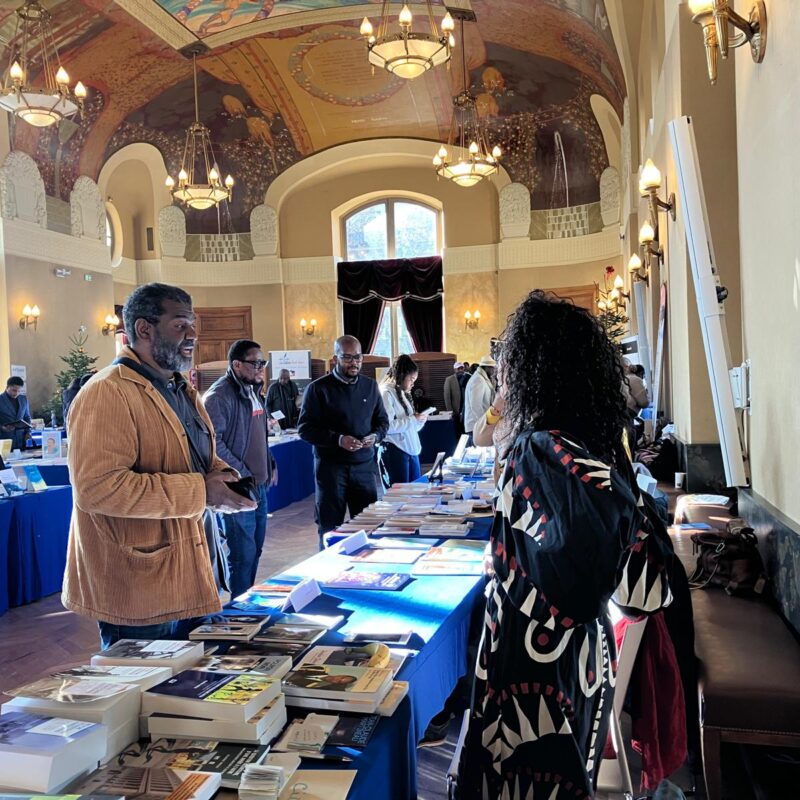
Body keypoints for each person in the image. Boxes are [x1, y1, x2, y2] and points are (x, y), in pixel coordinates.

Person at [458, 290, 672, 799]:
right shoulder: (583, 445)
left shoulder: (541, 450)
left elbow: (638, 583)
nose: (502, 378)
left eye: (508, 366)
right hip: (572, 655)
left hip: (536, 663)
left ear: (534, 370)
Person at [62, 283, 256, 649]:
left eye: (193, 325)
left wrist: (222, 479)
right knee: (145, 701)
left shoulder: (180, 388)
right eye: (181, 324)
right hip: (138, 591)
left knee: (189, 697)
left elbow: (192, 457)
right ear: (144, 329)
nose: (193, 335)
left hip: (192, 576)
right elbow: (98, 488)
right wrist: (202, 491)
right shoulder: (107, 392)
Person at [203, 339, 278, 600]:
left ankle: (247, 603)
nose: (261, 368)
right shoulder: (219, 396)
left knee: (254, 549)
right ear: (236, 364)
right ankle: (239, 611)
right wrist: (241, 472)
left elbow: (258, 436)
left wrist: (270, 463)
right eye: (255, 363)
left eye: (263, 363)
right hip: (238, 488)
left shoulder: (252, 391)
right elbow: (213, 443)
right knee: (241, 554)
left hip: (258, 485)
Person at [298, 335, 389, 544]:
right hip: (331, 471)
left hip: (364, 469)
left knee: (368, 527)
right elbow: (304, 429)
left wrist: (375, 437)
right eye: (347, 357)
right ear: (335, 359)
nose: (353, 362)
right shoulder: (318, 389)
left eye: (357, 357)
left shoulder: (370, 386)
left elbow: (383, 422)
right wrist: (338, 440)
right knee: (330, 529)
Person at [379, 354, 430, 485]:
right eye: (411, 379)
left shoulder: (401, 392)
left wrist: (419, 421)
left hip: (410, 449)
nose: (413, 383)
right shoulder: (386, 392)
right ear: (401, 375)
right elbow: (387, 427)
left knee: (415, 493)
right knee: (400, 495)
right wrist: (413, 420)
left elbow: (409, 425)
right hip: (395, 450)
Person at [463, 355, 496, 440]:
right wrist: (484, 425)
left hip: (478, 424)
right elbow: (476, 406)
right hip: (476, 425)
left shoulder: (482, 378)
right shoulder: (478, 380)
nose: (494, 371)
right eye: (492, 368)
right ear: (487, 368)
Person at [0, 376, 31, 450]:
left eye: (19, 391)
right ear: (7, 387)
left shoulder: (23, 399)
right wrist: (2, 428)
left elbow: (27, 417)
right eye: (14, 390)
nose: (16, 393)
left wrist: (28, 432)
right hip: (5, 439)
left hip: (22, 440)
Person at [444, 362, 467, 435]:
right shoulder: (449, 379)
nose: (460, 370)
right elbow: (447, 396)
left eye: (462, 368)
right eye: (458, 369)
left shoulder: (467, 378)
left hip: (465, 408)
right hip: (455, 409)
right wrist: (450, 410)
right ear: (455, 370)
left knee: (465, 429)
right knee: (457, 429)